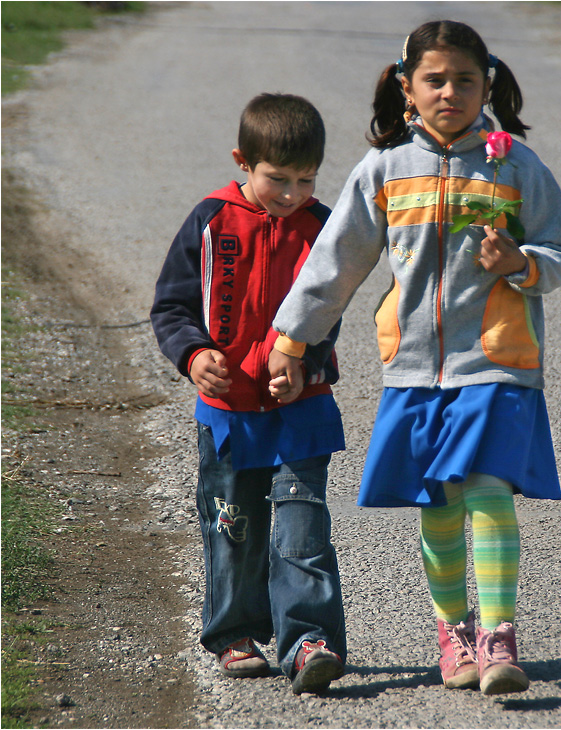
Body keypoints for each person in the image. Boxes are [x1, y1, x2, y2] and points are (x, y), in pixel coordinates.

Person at [268, 21, 561, 696]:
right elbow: (337, 263)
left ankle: (500, 636)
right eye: (435, 80)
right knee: (440, 506)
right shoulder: (383, 168)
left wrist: (523, 264)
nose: (451, 93)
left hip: (499, 361)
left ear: (487, 86)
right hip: (414, 369)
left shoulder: (516, 166)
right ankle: (455, 633)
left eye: (465, 81)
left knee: (490, 491)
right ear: (406, 87)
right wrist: (292, 340)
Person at [150, 93, 348, 696]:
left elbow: (329, 309)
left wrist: (307, 359)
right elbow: (171, 306)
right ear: (244, 162)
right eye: (276, 179)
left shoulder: (323, 226)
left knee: (301, 530)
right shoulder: (211, 221)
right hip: (229, 414)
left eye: (305, 179)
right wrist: (194, 354)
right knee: (232, 527)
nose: (291, 193)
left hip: (301, 410)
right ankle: (234, 632)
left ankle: (308, 641)